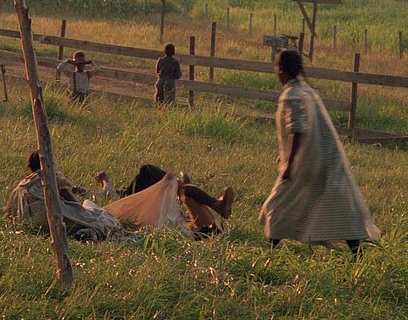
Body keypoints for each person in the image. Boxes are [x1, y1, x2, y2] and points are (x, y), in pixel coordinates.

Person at [259, 50, 380, 256]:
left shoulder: (292, 95)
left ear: (281, 70)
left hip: (305, 164)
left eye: (276, 67)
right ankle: (356, 253)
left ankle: (271, 255)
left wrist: (289, 164)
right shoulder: (306, 91)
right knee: (336, 207)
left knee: (276, 207)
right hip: (323, 160)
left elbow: (297, 130)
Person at [4, 151, 121, 242]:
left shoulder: (21, 186)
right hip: (51, 220)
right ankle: (89, 232)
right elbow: (75, 204)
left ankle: (84, 232)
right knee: (100, 217)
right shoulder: (52, 176)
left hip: (30, 226)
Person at [96, 164, 234, 236]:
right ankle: (217, 205)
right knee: (151, 172)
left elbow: (110, 193)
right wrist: (104, 179)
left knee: (150, 172)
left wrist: (104, 179)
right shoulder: (127, 200)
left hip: (196, 226)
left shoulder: (122, 199)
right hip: (203, 228)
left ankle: (181, 186)